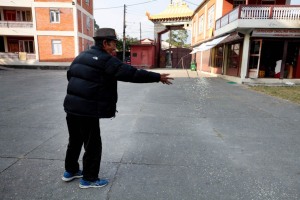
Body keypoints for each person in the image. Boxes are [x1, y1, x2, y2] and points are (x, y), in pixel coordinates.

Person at [62, 28, 173, 189]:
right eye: (113, 43)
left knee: (75, 140)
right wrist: (157, 77)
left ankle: (70, 171)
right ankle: (89, 179)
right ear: (105, 43)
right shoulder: (106, 60)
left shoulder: (81, 56)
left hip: (71, 107)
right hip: (87, 110)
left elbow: (70, 75)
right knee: (92, 144)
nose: (115, 47)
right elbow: (131, 74)